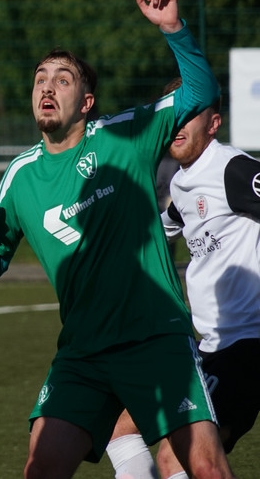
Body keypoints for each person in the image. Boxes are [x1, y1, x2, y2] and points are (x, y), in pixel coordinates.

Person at [0, 0, 235, 479]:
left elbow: (201, 93)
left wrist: (173, 28)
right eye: (40, 79)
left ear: (86, 102)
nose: (47, 87)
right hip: (83, 352)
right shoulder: (19, 176)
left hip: (155, 337)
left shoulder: (124, 135)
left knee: (205, 467)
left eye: (62, 80)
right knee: (40, 468)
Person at [107, 79, 260, 479]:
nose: (177, 123)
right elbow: (164, 226)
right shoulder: (180, 181)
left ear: (214, 123)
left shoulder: (232, 169)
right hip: (207, 349)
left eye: (189, 114)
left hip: (245, 347)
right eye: (173, 113)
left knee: (177, 459)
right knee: (122, 429)